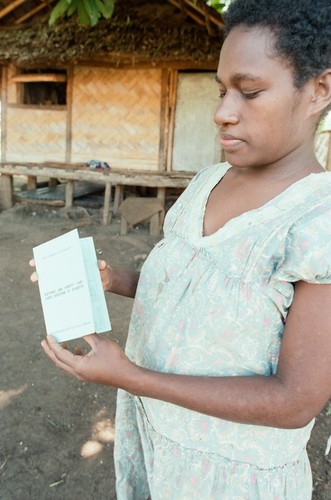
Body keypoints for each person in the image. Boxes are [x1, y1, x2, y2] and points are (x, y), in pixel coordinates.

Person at [31, 0, 331, 498]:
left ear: (319, 89)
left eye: (250, 92)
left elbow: (294, 401)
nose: (222, 112)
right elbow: (191, 288)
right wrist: (112, 279)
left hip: (228, 474)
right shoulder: (208, 182)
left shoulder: (316, 225)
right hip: (157, 438)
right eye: (221, 90)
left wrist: (133, 377)